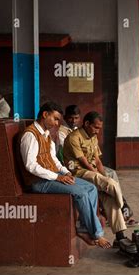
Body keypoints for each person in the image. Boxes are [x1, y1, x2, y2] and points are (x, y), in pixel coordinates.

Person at [19, 102, 111, 248]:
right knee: (80, 193)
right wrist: (57, 177)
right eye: (55, 119)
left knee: (91, 188)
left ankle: (82, 228)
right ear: (45, 115)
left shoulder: (46, 134)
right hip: (38, 182)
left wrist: (64, 171)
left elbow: (52, 158)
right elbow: (30, 166)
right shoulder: (30, 135)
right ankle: (97, 234)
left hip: (51, 175)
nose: (57, 123)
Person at [63, 111, 130, 247]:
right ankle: (124, 207)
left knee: (109, 195)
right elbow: (84, 163)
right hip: (79, 173)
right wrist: (101, 178)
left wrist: (103, 176)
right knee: (110, 184)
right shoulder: (73, 137)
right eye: (96, 127)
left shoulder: (93, 137)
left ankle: (120, 237)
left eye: (100, 128)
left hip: (91, 172)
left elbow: (98, 161)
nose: (98, 131)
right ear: (87, 123)